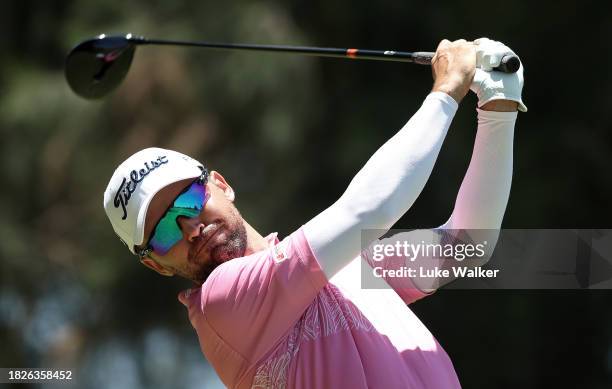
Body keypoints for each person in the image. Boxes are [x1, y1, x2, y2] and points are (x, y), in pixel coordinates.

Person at [103, 38, 526, 388]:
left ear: (220, 184)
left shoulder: (341, 264)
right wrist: (446, 92)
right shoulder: (223, 304)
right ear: (157, 265)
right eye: (163, 234)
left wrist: (498, 108)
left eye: (189, 201)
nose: (189, 228)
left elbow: (465, 246)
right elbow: (368, 209)